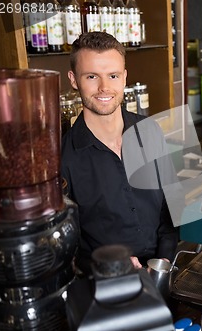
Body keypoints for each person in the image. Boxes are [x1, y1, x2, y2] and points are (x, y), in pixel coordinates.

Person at [61, 32, 179, 275]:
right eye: (92, 76)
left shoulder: (151, 131)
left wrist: (163, 262)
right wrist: (110, 266)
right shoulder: (63, 156)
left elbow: (171, 210)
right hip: (102, 284)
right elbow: (66, 243)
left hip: (162, 273)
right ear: (74, 80)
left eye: (113, 76)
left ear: (124, 77)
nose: (104, 87)